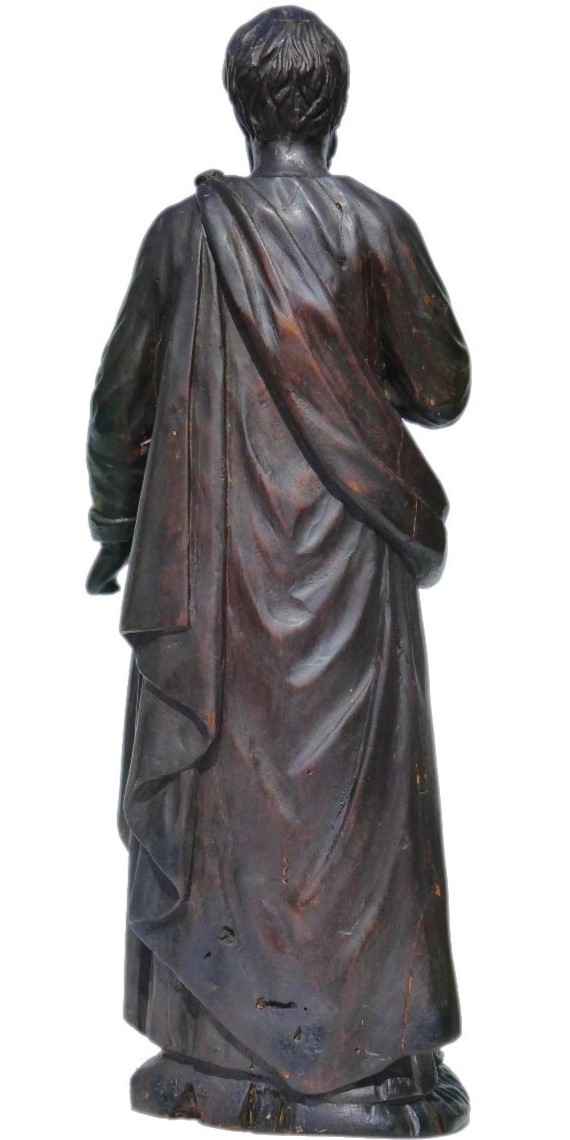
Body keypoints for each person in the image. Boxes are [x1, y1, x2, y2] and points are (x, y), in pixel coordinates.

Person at [87, 7, 470, 1134]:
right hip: (349, 564)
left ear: (240, 111)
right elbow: (441, 388)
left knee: (226, 787)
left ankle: (215, 1048)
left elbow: (117, 403)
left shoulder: (184, 237)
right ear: (336, 114)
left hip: (217, 576)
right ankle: (368, 1062)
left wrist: (113, 520)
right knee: (355, 813)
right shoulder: (376, 227)